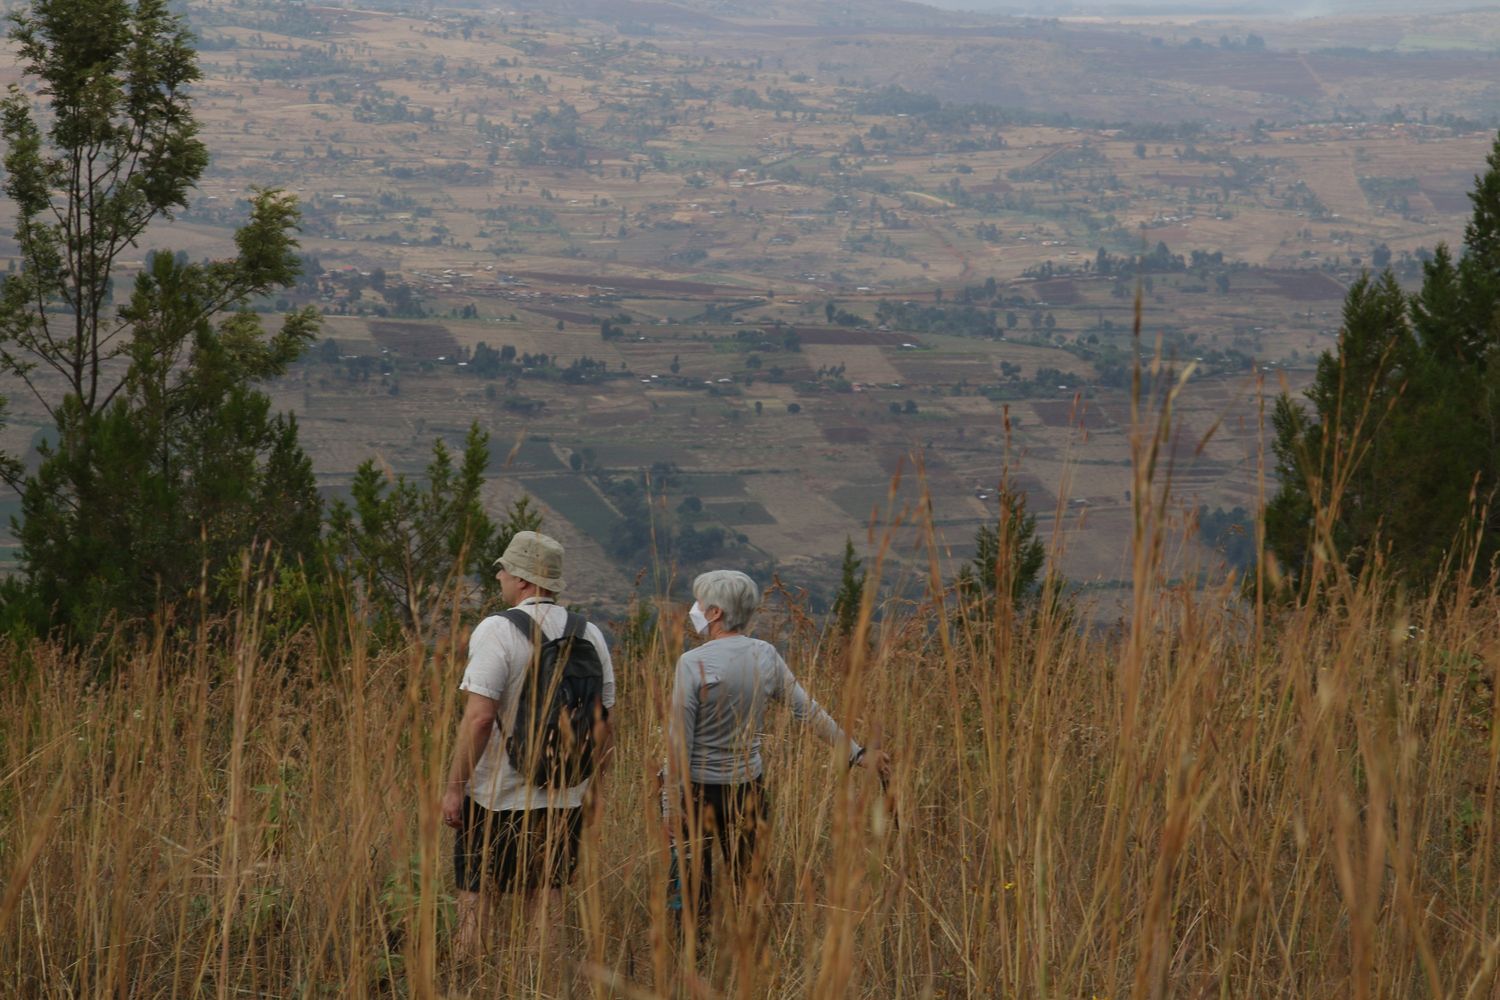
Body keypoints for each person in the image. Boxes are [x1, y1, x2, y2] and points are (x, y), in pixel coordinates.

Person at [665, 569, 889, 934]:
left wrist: (671, 808)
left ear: (716, 613)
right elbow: (810, 712)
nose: (696, 608)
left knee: (692, 889)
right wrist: (857, 754)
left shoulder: (692, 664)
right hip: (749, 789)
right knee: (751, 881)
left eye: (701, 603)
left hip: (698, 793)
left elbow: (679, 748)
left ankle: (693, 960)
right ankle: (760, 956)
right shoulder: (765, 656)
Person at [441, 530, 616, 956]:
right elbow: (604, 720)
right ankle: (543, 982)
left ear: (522, 579)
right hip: (564, 793)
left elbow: (480, 718)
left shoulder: (497, 630)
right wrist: (594, 786)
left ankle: (469, 980)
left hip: (495, 795)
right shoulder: (589, 633)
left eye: (504, 568)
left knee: (476, 895)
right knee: (547, 893)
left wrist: (453, 786)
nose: (498, 574)